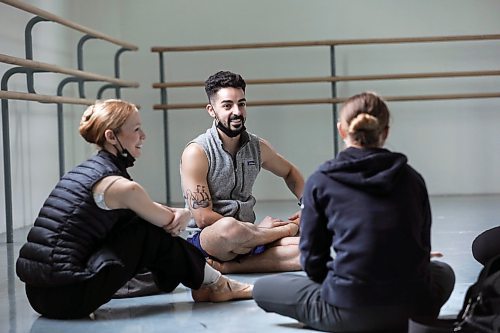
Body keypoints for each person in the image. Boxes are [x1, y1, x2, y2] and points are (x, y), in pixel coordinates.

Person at [16, 99, 252, 319]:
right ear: (111, 136)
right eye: (136, 129)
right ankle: (216, 285)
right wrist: (186, 213)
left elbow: (147, 210)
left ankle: (203, 282)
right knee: (147, 233)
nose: (143, 136)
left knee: (138, 226)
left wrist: (173, 214)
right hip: (68, 297)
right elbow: (165, 221)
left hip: (39, 294)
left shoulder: (87, 172)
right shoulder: (123, 188)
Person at [252, 92, 456, 332]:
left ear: (341, 130)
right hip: (413, 308)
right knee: (444, 272)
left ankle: (336, 316)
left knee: (262, 288)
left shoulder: (321, 180)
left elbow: (313, 262)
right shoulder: (412, 179)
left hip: (350, 310)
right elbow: (422, 246)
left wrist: (346, 282)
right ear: (385, 131)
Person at [180, 70, 304, 273]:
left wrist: (308, 206)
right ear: (211, 110)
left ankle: (226, 268)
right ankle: (281, 232)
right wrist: (268, 230)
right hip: (213, 239)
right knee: (229, 227)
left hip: (249, 240)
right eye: (227, 105)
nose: (237, 111)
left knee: (311, 252)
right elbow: (203, 217)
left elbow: (290, 172)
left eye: (242, 104)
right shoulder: (197, 152)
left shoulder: (257, 146)